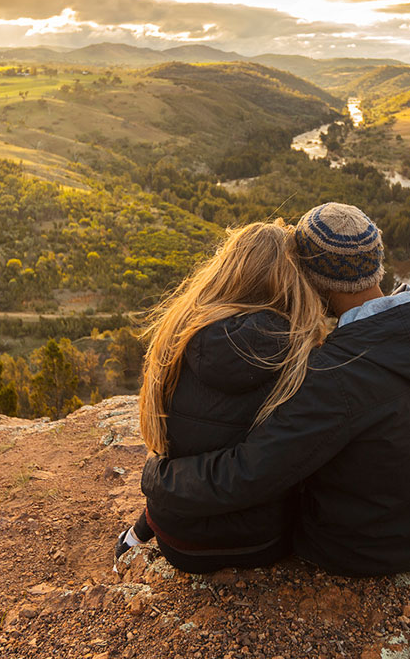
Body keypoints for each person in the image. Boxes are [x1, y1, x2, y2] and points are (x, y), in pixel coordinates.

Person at [140, 203, 410, 577]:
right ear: (376, 261)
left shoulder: (335, 373)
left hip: (351, 550)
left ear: (309, 277)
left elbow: (250, 472)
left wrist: (159, 478)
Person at [115, 220, 330, 572]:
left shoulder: (177, 336)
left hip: (178, 541)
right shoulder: (304, 355)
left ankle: (138, 533)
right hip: (264, 541)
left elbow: (179, 452)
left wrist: (144, 525)